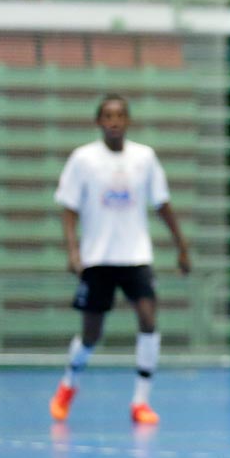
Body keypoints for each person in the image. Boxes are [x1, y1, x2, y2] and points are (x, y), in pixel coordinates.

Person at [50, 95, 192, 425]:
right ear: (98, 121)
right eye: (108, 115)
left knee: (148, 318)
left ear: (128, 121)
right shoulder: (83, 159)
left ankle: (140, 402)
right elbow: (69, 210)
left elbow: (163, 205)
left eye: (120, 115)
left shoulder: (145, 158)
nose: (114, 120)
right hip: (97, 259)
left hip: (135, 257)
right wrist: (73, 251)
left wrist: (181, 246)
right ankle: (68, 384)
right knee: (91, 335)